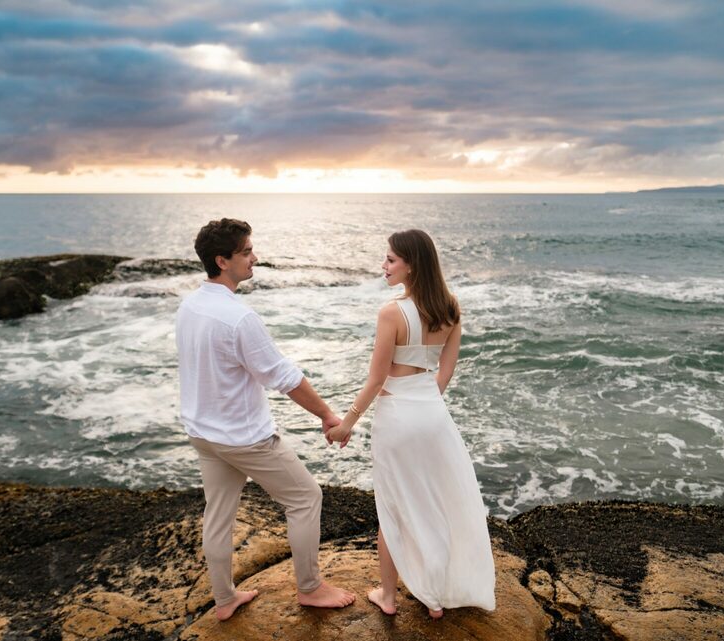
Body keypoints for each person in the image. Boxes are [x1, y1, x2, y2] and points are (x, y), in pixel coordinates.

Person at [176, 218, 356, 621]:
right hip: (244, 438)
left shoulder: (190, 305)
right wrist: (328, 414)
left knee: (218, 514)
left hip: (204, 433)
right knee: (306, 498)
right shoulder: (239, 318)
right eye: (245, 252)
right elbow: (283, 376)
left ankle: (224, 599)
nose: (254, 257)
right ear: (222, 260)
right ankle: (310, 588)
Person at [326, 229, 496, 618]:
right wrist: (424, 403)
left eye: (390, 260)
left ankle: (388, 596)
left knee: (394, 506)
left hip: (397, 417)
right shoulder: (451, 308)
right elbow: (445, 373)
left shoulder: (392, 312)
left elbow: (376, 378)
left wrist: (347, 423)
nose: (383, 266)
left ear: (411, 264)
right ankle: (434, 594)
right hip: (433, 415)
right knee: (433, 500)